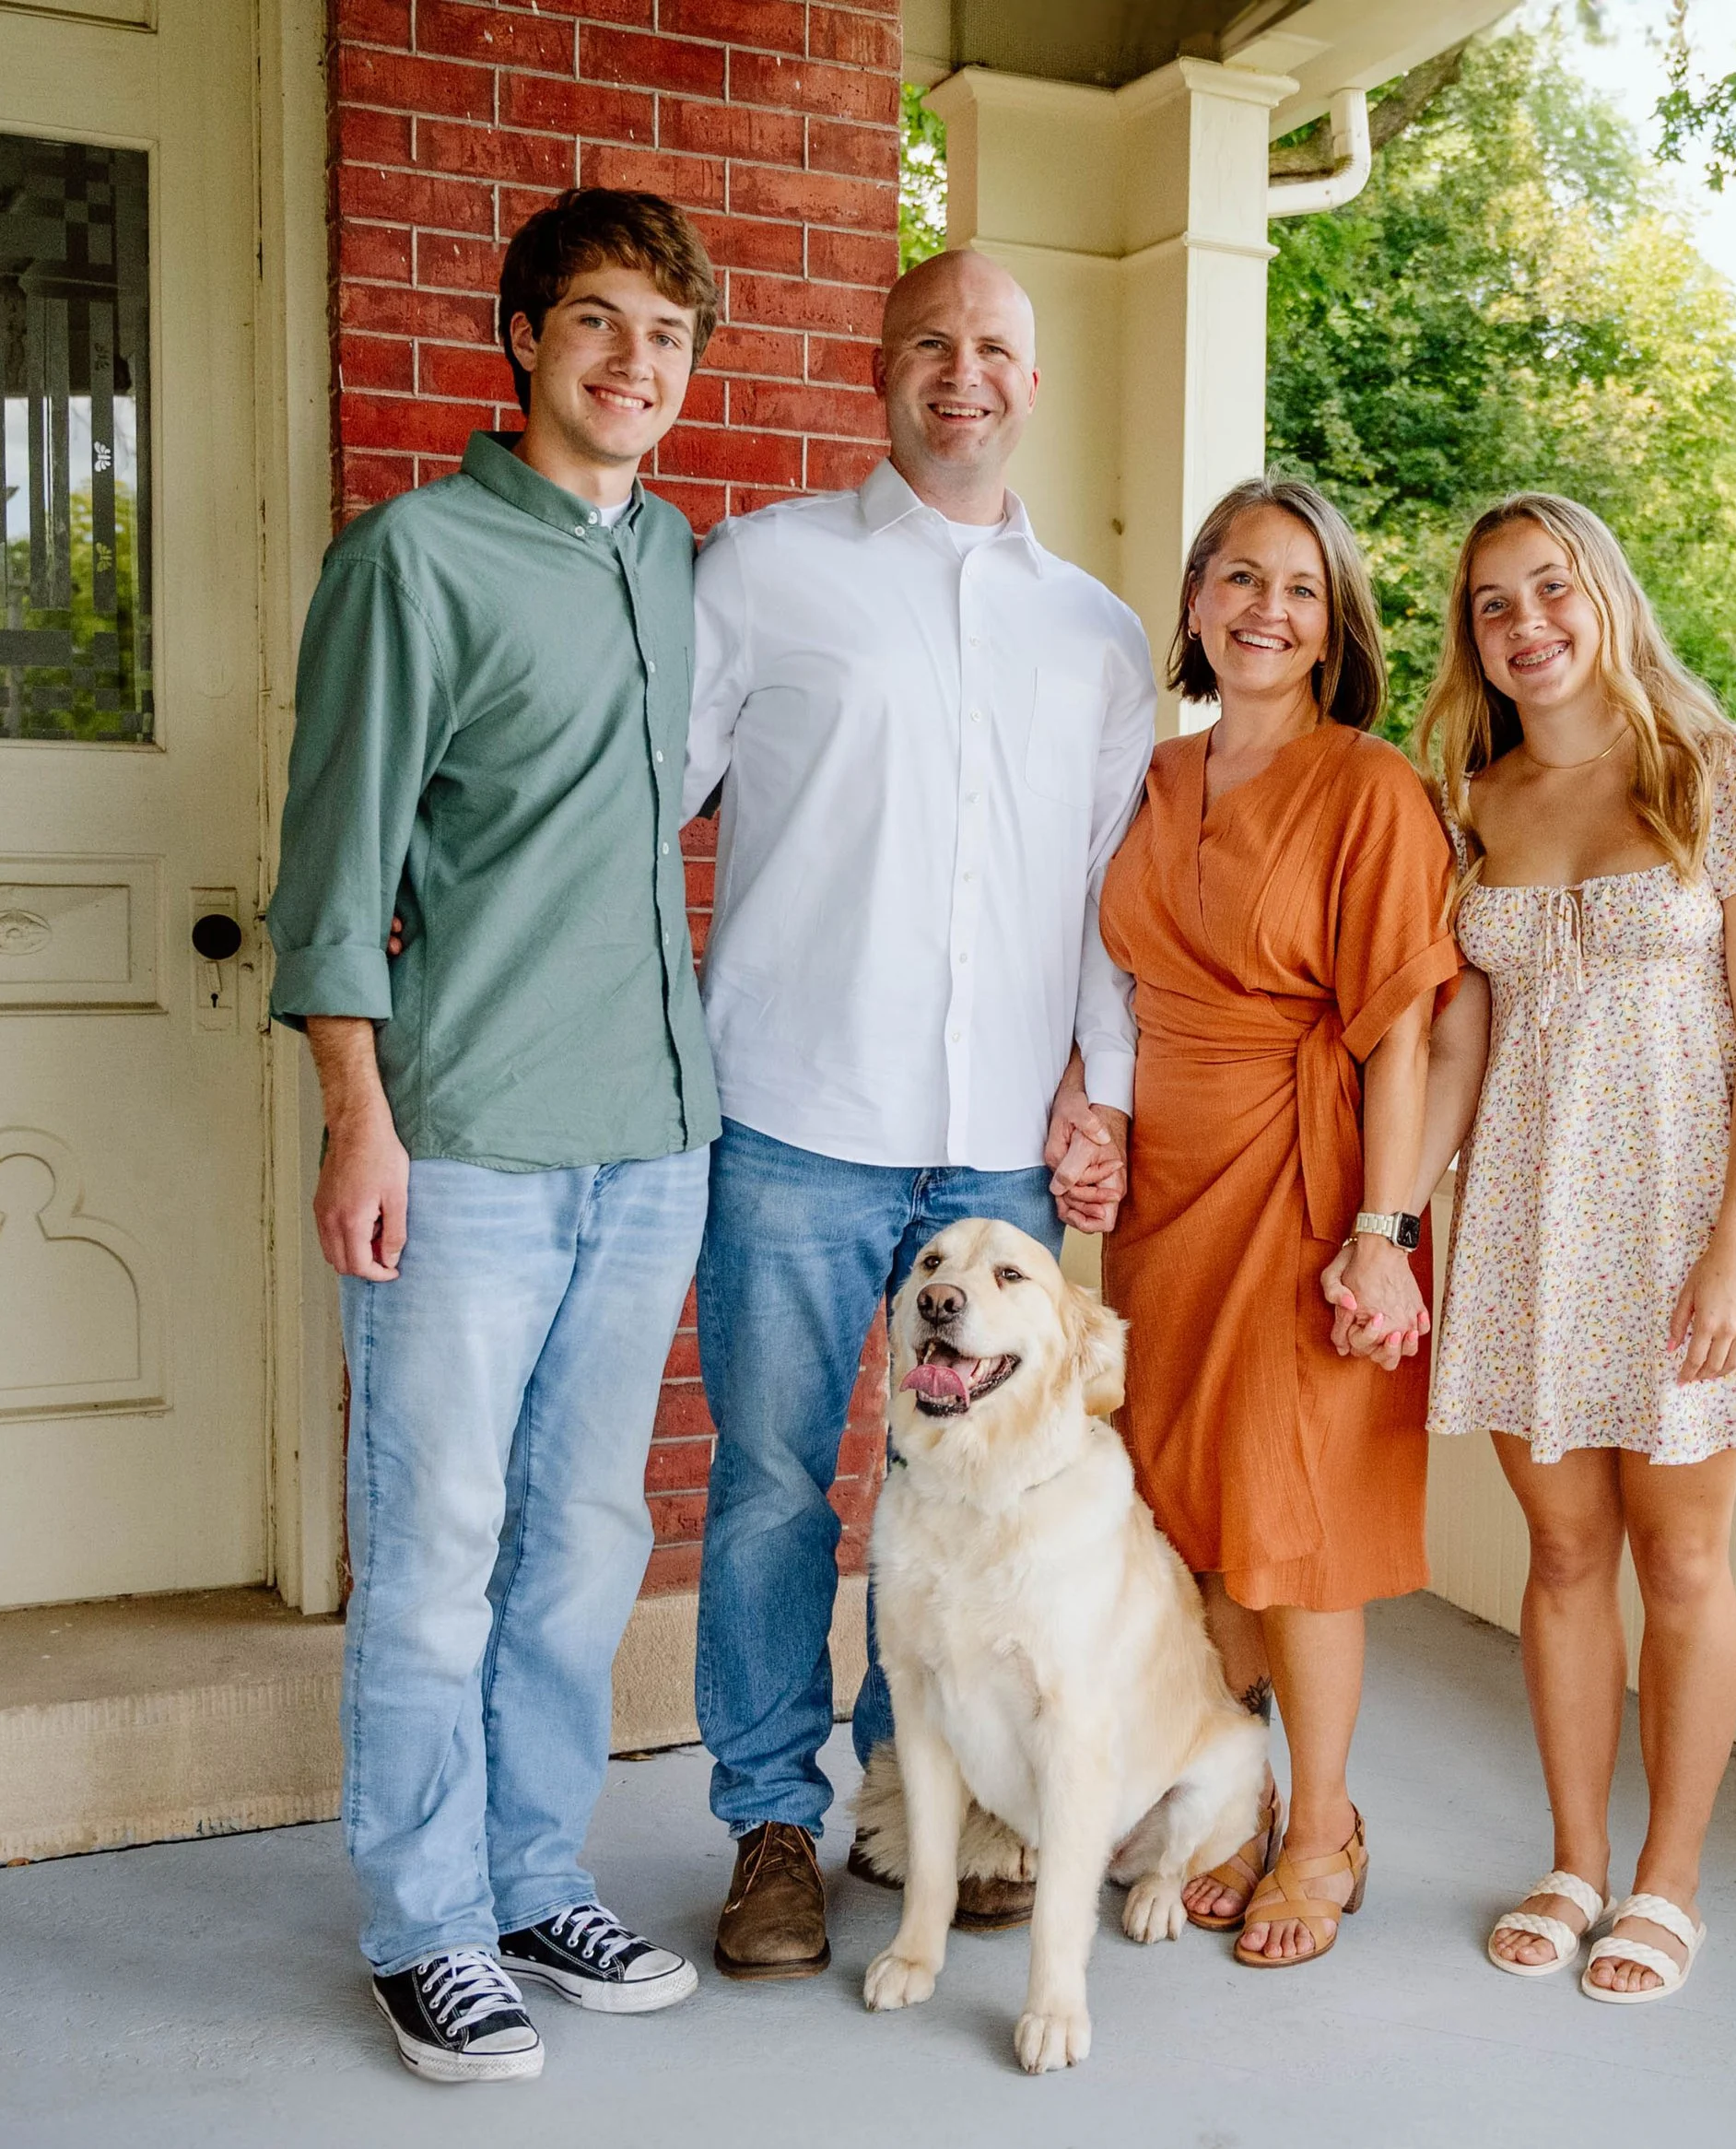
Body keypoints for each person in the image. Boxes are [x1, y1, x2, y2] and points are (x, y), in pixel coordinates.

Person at [266, 189, 721, 2083]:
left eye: (669, 339)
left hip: (653, 1141)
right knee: (440, 1543)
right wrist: (355, 1119)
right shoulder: (415, 557)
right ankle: (424, 1916)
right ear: (525, 335)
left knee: (580, 1547)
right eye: (600, 322)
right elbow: (333, 868)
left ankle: (537, 1870)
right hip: (462, 1146)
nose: (635, 364)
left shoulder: (678, 555)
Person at [682, 248, 1155, 1980]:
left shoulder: (1097, 635)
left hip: (995, 1157)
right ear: (877, 367)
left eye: (997, 350)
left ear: (1035, 384)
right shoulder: (763, 571)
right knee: (772, 1487)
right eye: (931, 343)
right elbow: (638, 794)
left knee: (962, 1499)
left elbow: (1114, 892)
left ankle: (914, 1805)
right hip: (798, 1114)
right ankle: (769, 1830)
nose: (965, 372)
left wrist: (1097, 1084)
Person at [1381, 490, 1736, 2004]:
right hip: (1522, 1223)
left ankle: (1669, 1885)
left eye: (1551, 590)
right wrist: (1390, 1225)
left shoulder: (1722, 777)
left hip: (1687, 1225)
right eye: (1495, 606)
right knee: (1564, 1553)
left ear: (1607, 596)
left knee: (1682, 1557)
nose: (1528, 627)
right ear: (1474, 638)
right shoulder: (1476, 807)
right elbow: (1458, 1045)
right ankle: (1575, 1860)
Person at [1097, 476, 1461, 1969]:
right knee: (1187, 1520)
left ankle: (1324, 1829)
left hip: (1306, 1187)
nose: (1266, 609)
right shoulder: (1153, 776)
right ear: (1194, 602)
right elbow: (1107, 984)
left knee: (1293, 1529)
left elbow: (1404, 1034)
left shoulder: (1368, 789)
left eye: (1300, 589)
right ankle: (1235, 1808)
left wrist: (1385, 1227)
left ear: (1334, 627)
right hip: (1160, 1196)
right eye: (1239, 578)